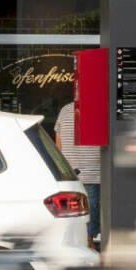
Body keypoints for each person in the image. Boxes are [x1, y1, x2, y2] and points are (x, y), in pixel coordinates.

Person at [55, 101, 101, 247]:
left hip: (71, 173)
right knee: (90, 211)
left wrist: (63, 169)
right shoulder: (99, 109)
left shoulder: (64, 109)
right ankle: (88, 244)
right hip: (92, 172)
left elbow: (58, 143)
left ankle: (77, 244)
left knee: (72, 213)